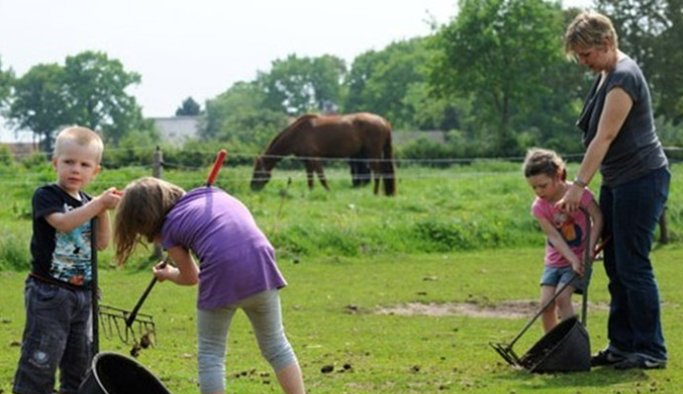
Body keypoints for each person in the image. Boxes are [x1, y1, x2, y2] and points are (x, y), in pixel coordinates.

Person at [113, 177, 306, 394]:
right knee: (277, 346)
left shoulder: (169, 228)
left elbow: (190, 277)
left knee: (211, 354)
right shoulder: (212, 194)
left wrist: (168, 274)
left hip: (222, 272)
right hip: (261, 266)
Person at [559, 11, 670, 370]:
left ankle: (651, 349)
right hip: (619, 180)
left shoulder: (623, 77)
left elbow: (604, 137)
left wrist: (578, 185)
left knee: (633, 264)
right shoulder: (607, 73)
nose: (584, 62)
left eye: (586, 54)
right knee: (616, 265)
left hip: (642, 179)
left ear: (606, 43)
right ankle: (622, 345)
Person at [13, 126, 121, 394]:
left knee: (80, 363)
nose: (76, 169)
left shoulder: (89, 203)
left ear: (95, 171)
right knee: (42, 357)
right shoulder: (47, 195)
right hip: (49, 292)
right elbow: (62, 224)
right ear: (55, 163)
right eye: (69, 162)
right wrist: (97, 205)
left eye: (84, 164)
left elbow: (101, 243)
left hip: (83, 295)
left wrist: (103, 210)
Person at [523, 148, 602, 333]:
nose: (538, 191)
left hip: (581, 258)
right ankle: (552, 345)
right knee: (545, 304)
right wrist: (571, 258)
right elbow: (553, 236)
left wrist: (589, 250)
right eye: (534, 187)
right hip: (555, 262)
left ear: (558, 175)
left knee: (562, 298)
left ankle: (571, 341)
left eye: (543, 186)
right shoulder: (539, 207)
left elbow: (598, 218)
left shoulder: (579, 194)